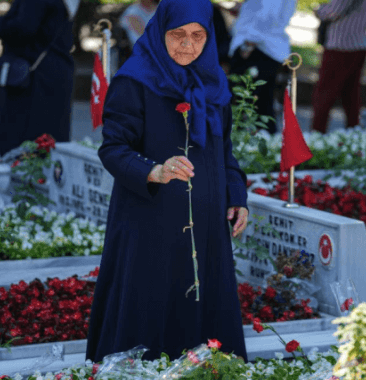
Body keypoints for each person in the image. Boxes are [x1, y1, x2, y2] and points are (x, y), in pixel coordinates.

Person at [85, 0, 250, 363]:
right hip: (149, 222)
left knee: (206, 318)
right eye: (178, 35)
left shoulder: (214, 83)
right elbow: (113, 148)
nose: (188, 45)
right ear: (160, 31)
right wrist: (155, 170)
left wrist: (237, 195)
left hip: (206, 229)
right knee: (150, 308)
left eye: (197, 36)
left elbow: (225, 152)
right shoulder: (135, 79)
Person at [0, 0, 78, 157]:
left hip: (33, 78)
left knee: (21, 143)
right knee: (48, 145)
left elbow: (24, 27)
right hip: (52, 73)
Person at [227, 0, 297, 134]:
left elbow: (267, 14)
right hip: (267, 48)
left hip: (258, 48)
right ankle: (268, 146)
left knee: (245, 102)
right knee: (263, 103)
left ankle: (242, 144)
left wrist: (249, 44)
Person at [310, 0, 366, 133]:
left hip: (340, 45)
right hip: (360, 44)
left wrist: (318, 10)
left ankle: (317, 133)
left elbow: (332, 12)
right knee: (351, 94)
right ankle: (353, 131)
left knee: (324, 93)